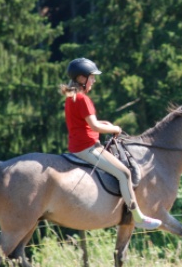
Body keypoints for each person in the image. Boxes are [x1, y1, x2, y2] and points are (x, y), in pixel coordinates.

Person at [60, 57, 161, 230]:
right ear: (81, 79)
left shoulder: (72, 97)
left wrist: (104, 125)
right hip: (88, 148)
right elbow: (93, 125)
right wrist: (114, 128)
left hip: (78, 145)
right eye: (91, 77)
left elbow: (84, 124)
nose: (94, 80)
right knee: (125, 174)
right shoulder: (83, 99)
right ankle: (138, 217)